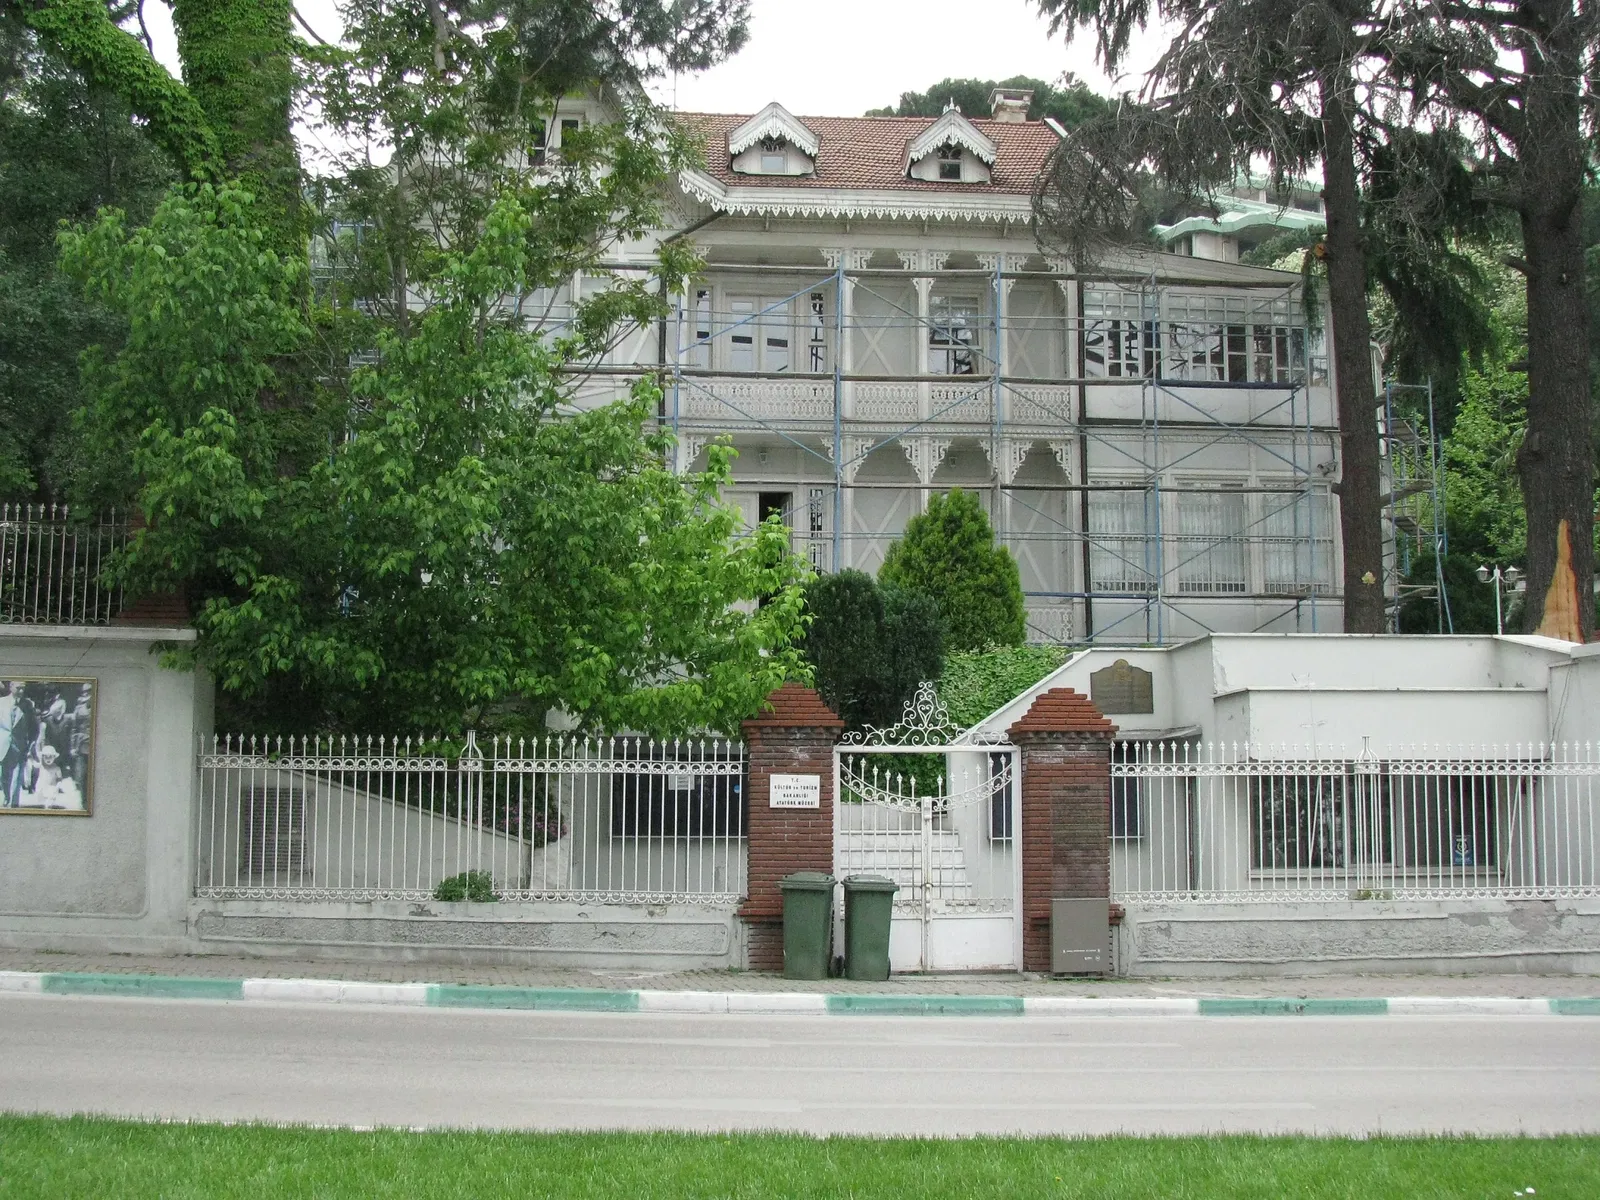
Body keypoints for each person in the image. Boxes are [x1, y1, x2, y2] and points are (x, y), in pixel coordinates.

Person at [0, 682, 29, 808]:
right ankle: (7, 797)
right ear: (11, 687)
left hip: (20, 745)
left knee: (17, 776)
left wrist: (30, 744)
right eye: (18, 688)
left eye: (23, 688)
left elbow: (34, 727)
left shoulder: (28, 705)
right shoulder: (1, 702)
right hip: (3, 744)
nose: (21, 691)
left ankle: (14, 804)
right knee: (5, 775)